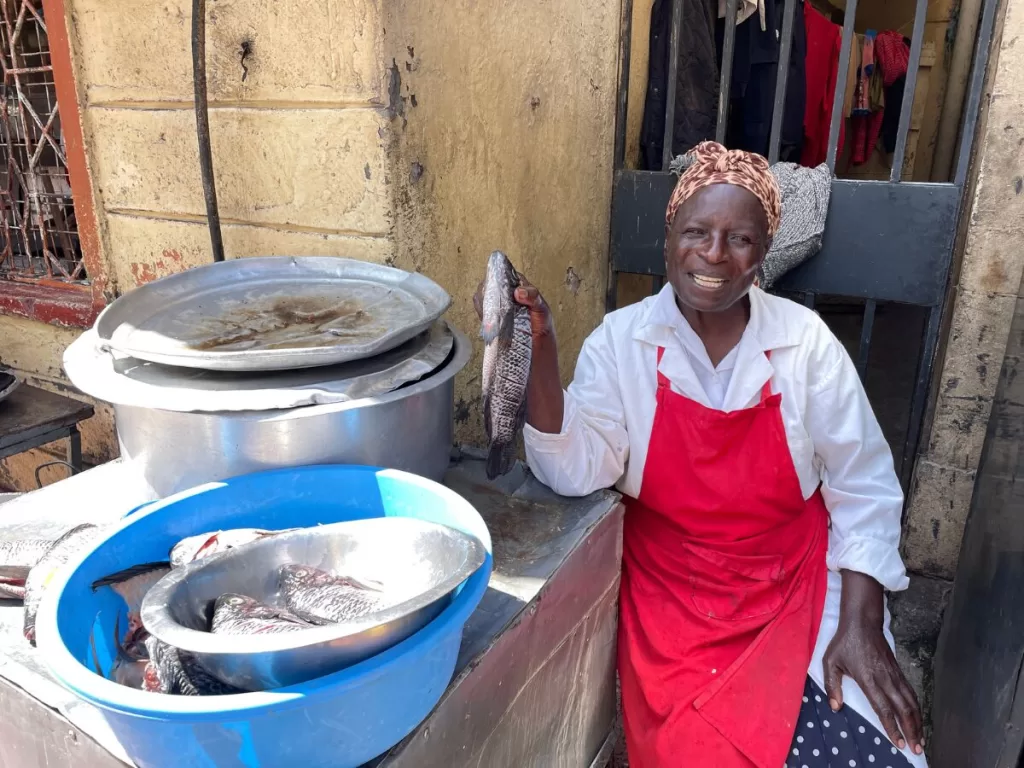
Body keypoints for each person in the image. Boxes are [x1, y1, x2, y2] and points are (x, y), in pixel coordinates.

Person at [484, 142, 927, 767]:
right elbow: (576, 465)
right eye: (696, 231)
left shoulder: (805, 346)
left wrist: (860, 625)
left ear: (762, 254)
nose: (714, 254)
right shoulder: (624, 340)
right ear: (669, 238)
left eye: (738, 238)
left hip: (795, 576)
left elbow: (864, 485)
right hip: (675, 592)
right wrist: (544, 349)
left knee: (876, 747)